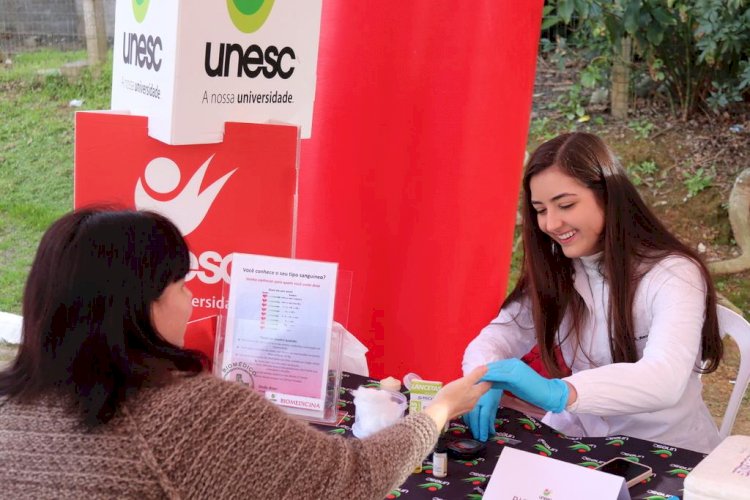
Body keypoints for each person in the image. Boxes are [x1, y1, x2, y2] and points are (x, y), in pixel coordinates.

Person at [0, 208, 490, 498]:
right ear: (139, 304)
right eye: (181, 283)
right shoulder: (191, 413)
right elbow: (352, 480)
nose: (191, 298)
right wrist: (442, 408)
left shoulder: (10, 403)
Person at [462, 132, 724, 453]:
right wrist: (482, 377)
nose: (551, 223)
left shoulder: (674, 273)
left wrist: (562, 393)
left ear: (608, 196)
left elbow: (664, 380)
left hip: (668, 453)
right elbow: (501, 334)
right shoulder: (560, 267)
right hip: (586, 442)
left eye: (566, 204)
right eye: (540, 209)